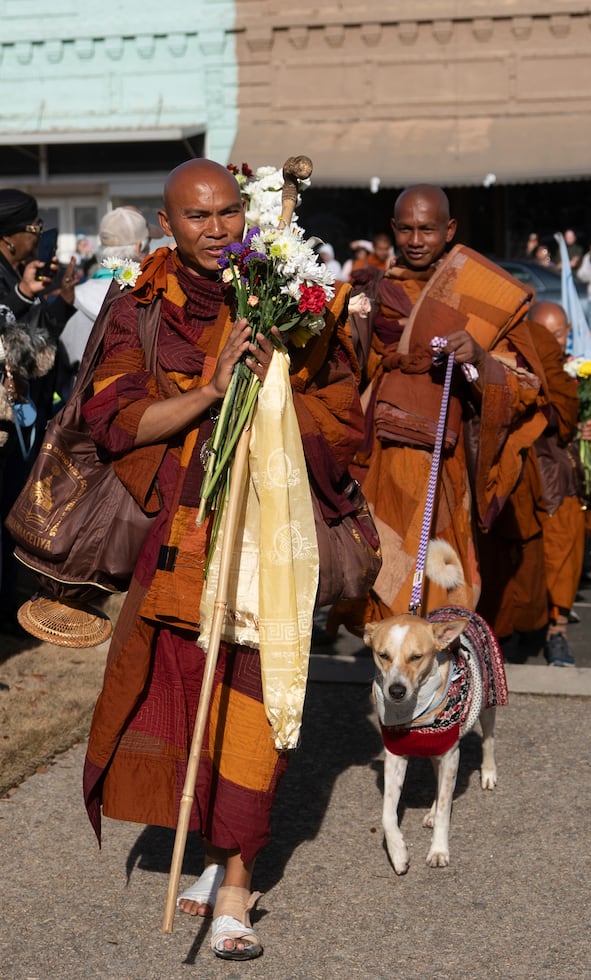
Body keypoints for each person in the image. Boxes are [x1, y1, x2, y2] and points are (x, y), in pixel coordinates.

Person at [82, 158, 364, 960]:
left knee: (251, 702)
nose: (216, 232)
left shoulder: (288, 293)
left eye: (228, 214)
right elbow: (115, 423)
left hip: (267, 542)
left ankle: (235, 889)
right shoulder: (141, 304)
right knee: (183, 703)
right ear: (167, 225)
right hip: (182, 537)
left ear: (249, 212)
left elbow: (344, 412)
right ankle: (207, 852)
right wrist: (212, 392)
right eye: (197, 218)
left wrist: (276, 390)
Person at [333, 184, 545, 624]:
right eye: (406, 229)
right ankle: (394, 664)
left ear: (449, 230)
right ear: (392, 230)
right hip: (382, 453)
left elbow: (526, 383)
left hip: (445, 459)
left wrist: (480, 359)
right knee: (382, 556)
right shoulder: (372, 291)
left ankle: (443, 663)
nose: (415, 240)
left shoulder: (482, 294)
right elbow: (347, 369)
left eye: (427, 229)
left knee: (440, 559)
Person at [475, 301, 581, 665]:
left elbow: (565, 408)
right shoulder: (483, 333)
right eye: (547, 332)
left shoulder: (542, 347)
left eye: (560, 333)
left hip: (541, 463)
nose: (553, 339)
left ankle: (556, 628)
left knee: (553, 549)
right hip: (488, 461)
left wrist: (529, 400)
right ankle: (497, 634)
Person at [0, 189, 78, 631]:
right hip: (4, 422)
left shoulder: (11, 277)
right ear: (9, 237)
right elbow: (20, 354)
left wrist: (45, 302)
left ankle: (6, 609)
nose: (39, 239)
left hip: (12, 425)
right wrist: (42, 306)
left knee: (10, 520)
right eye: (34, 230)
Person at [61, 207, 151, 391]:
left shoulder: (69, 300)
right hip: (142, 410)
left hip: (80, 412)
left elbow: (61, 375)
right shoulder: (150, 298)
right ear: (139, 248)